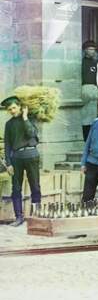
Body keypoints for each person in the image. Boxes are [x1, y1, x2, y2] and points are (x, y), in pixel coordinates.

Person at [2, 96, 40, 227]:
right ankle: (19, 217)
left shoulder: (31, 119)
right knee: (16, 188)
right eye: (9, 109)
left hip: (31, 155)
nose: (12, 111)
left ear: (20, 107)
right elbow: (7, 144)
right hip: (16, 158)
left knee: (35, 186)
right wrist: (8, 163)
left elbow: (31, 133)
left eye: (14, 107)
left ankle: (36, 216)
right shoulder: (9, 124)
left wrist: (25, 117)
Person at [81, 40, 98, 141]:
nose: (92, 51)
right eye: (90, 49)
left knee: (93, 116)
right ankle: (85, 137)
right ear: (85, 50)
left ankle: (91, 138)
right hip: (84, 89)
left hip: (94, 89)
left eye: (93, 49)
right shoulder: (81, 62)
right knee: (84, 116)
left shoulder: (96, 62)